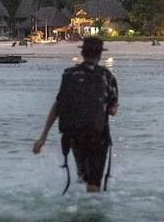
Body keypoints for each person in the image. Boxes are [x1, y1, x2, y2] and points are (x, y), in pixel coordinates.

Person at [33, 36, 118, 192]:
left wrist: (43, 137)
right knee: (94, 182)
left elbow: (58, 106)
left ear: (83, 54)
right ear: (99, 55)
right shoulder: (107, 76)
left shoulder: (69, 75)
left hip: (74, 135)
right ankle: (92, 210)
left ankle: (79, 205)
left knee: (83, 175)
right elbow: (112, 111)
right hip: (98, 135)